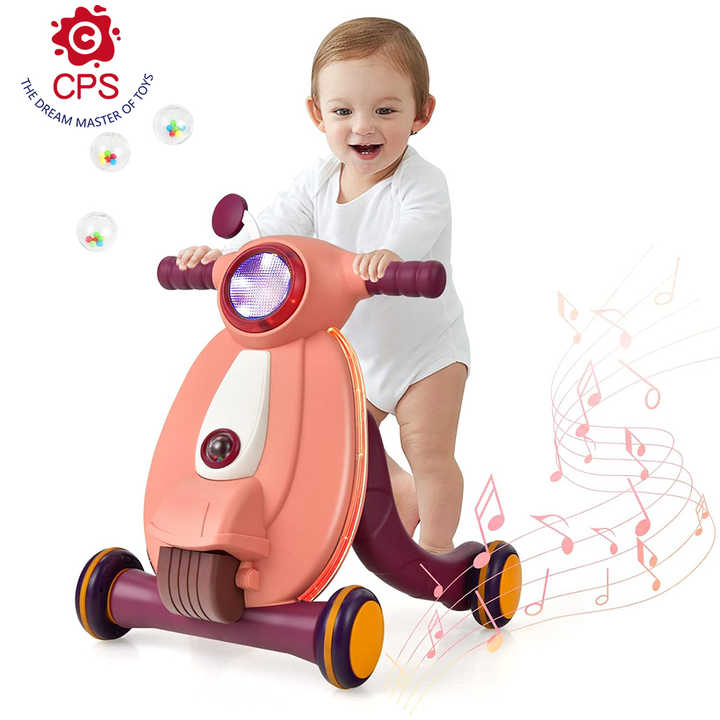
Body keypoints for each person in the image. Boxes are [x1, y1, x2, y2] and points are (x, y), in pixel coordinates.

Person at [176, 17, 470, 555]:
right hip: (356, 353)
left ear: (421, 114)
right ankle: (400, 492)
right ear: (317, 114)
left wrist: (390, 254)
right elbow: (272, 232)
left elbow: (418, 225)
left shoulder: (422, 182)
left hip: (426, 351)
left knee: (426, 447)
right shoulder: (315, 181)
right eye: (343, 112)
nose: (364, 127)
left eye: (386, 111)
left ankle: (438, 548)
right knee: (341, 447)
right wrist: (222, 259)